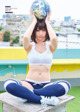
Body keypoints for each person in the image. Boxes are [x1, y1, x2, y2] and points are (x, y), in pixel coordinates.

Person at [4, 10, 71, 106]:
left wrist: (47, 21)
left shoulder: (51, 47)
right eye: (38, 30)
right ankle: (41, 99)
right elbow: (25, 38)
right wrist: (34, 21)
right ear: (34, 32)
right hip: (29, 84)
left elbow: (54, 39)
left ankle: (28, 95)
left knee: (65, 86)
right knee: (8, 84)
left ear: (47, 31)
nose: (41, 33)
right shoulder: (29, 47)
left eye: (43, 30)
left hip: (46, 85)